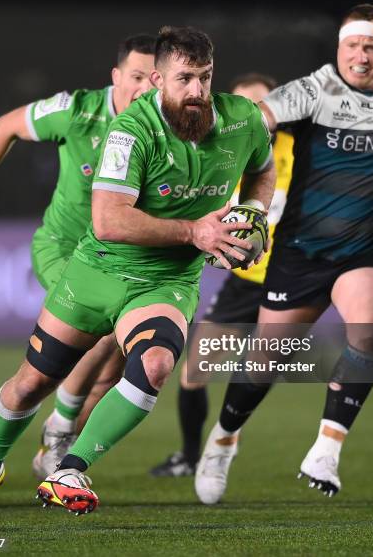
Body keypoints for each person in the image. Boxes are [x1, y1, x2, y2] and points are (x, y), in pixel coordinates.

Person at [0, 25, 275, 522]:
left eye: (206, 78)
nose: (198, 92)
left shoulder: (242, 119)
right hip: (97, 270)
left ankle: (69, 467)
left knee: (156, 364)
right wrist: (196, 233)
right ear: (158, 80)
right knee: (30, 383)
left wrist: (252, 214)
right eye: (185, 79)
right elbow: (109, 221)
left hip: (167, 281)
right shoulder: (128, 130)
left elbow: (263, 170)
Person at [195, 3, 373, 504]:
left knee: (370, 333)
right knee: (265, 360)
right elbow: (256, 122)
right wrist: (223, 188)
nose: (360, 55)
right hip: (302, 250)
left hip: (368, 248)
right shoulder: (313, 90)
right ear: (339, 49)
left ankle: (326, 449)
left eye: (371, 46)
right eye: (352, 45)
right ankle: (222, 440)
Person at [0, 34, 155, 523]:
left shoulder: (165, 125)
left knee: (118, 364)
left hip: (124, 261)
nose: (146, 87)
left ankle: (59, 442)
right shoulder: (77, 112)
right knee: (103, 329)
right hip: (66, 250)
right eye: (137, 76)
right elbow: (5, 126)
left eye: (155, 78)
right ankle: (57, 433)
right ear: (116, 76)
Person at [150, 73, 294, 477]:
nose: (256, 112)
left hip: (290, 280)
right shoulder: (221, 150)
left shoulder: (300, 153)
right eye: (246, 103)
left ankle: (226, 441)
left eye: (264, 104)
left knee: (259, 372)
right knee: (194, 372)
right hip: (244, 283)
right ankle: (191, 455)